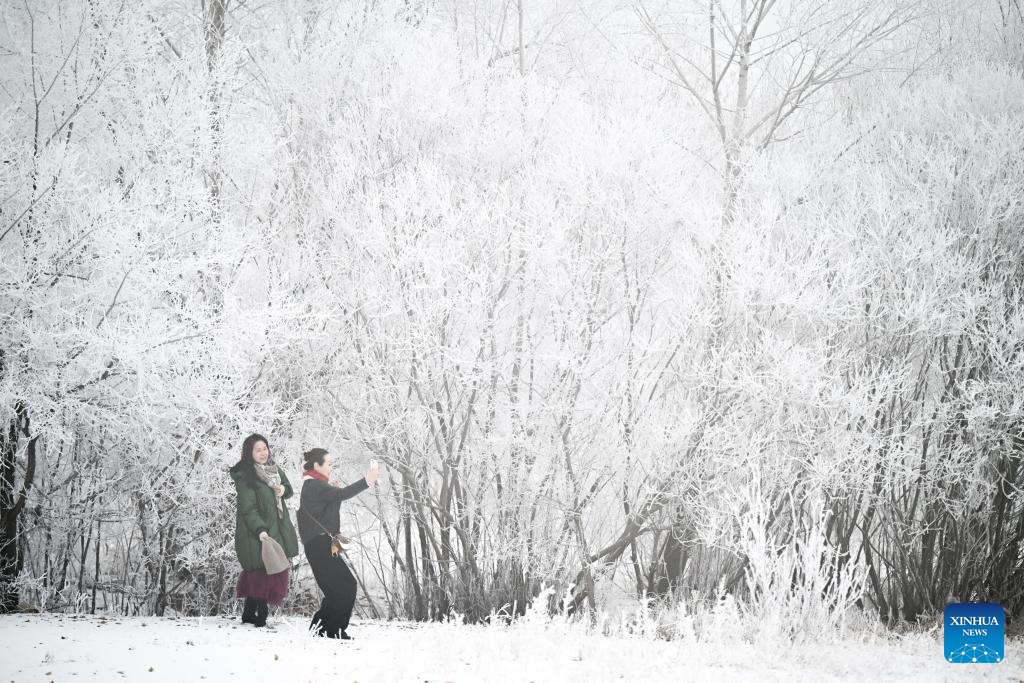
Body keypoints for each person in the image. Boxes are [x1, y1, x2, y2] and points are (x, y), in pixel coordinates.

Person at [297, 448, 379, 639]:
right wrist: (367, 480)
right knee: (347, 585)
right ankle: (333, 630)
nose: (332, 467)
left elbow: (328, 508)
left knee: (336, 590)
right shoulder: (315, 485)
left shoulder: (313, 485)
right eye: (329, 464)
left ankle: (321, 629)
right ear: (317, 465)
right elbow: (342, 494)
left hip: (318, 544)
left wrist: (333, 492)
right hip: (319, 544)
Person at [229, 433, 299, 627]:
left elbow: (288, 488)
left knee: (267, 569)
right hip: (254, 530)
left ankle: (249, 615)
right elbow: (248, 508)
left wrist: (283, 490)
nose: (263, 453)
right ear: (249, 453)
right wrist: (260, 529)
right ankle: (260, 616)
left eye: (265, 448)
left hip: (275, 528)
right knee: (261, 570)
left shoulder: (274, 470)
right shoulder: (245, 476)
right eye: (257, 450)